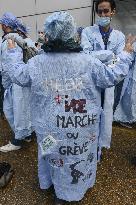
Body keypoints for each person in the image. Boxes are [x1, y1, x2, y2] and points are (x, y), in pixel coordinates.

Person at [2, 11, 134, 205]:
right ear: (72, 34)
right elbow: (112, 76)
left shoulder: (37, 63)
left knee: (52, 154)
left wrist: (12, 54)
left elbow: (18, 75)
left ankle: (56, 188)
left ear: (49, 34)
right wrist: (126, 55)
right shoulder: (88, 62)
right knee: (77, 158)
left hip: (49, 130)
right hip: (81, 130)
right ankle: (72, 191)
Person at [81, 0, 125, 153]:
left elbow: (120, 59)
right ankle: (89, 147)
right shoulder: (87, 32)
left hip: (111, 82)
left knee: (107, 112)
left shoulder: (119, 36)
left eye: (106, 11)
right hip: (91, 80)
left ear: (113, 11)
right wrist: (108, 55)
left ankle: (101, 145)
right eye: (99, 11)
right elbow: (85, 55)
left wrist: (102, 59)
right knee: (89, 113)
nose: (102, 14)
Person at [0, 12, 33, 152]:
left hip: (15, 83)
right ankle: (27, 135)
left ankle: (16, 141)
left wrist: (5, 84)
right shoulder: (20, 38)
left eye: (2, 23)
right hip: (23, 82)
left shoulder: (10, 40)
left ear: (5, 25)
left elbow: (9, 66)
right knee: (24, 110)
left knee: (14, 111)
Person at [114, 42, 136, 126]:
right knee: (130, 99)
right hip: (133, 77)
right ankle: (128, 118)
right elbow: (127, 57)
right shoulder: (134, 45)